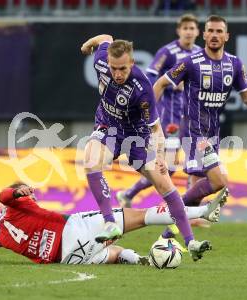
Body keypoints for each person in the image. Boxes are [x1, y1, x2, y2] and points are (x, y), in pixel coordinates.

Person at [80, 34, 211, 260]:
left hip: (137, 136)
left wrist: (159, 156)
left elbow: (155, 129)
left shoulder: (142, 89)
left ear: (132, 63)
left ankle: (191, 242)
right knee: (91, 160)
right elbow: (106, 37)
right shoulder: (101, 60)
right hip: (108, 127)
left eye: (122, 68)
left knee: (164, 182)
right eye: (114, 69)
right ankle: (110, 223)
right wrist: (87, 44)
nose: (117, 74)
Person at [153, 15, 247, 239]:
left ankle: (168, 234)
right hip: (194, 131)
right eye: (211, 31)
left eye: (219, 31)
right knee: (219, 181)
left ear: (227, 36)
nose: (215, 35)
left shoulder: (234, 64)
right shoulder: (190, 62)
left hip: (212, 131)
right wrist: (149, 114)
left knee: (197, 190)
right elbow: (160, 83)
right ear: (204, 34)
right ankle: (171, 213)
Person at [0, 183, 226, 265]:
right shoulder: (17, 203)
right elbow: (2, 194)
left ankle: (140, 260)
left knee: (112, 253)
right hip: (72, 230)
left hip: (66, 259)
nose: (33, 196)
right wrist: (17, 192)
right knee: (140, 216)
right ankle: (203, 210)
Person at [117, 14, 202, 209]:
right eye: (185, 28)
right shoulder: (167, 52)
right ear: (179, 30)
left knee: (195, 162)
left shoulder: (199, 53)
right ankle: (130, 194)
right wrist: (174, 84)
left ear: (197, 31)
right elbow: (150, 77)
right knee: (169, 167)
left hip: (191, 116)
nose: (189, 31)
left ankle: (191, 207)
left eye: (192, 28)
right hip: (169, 116)